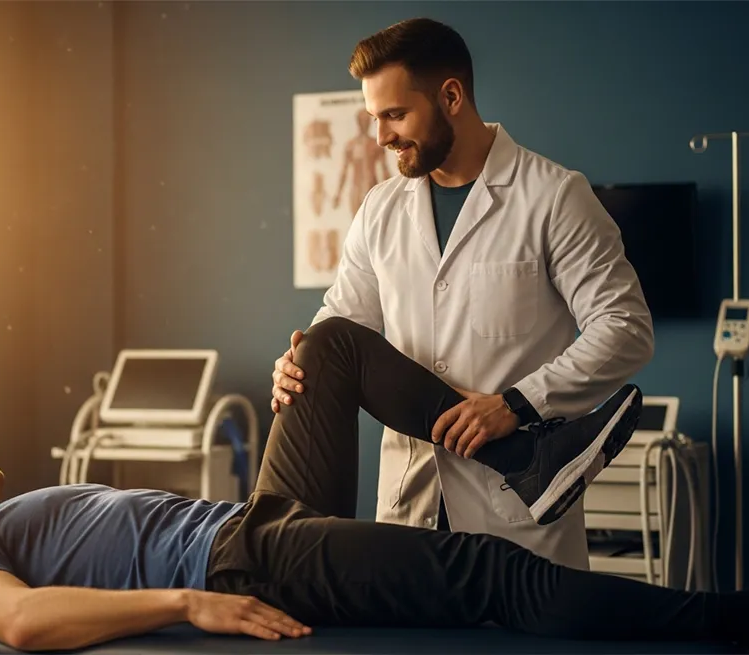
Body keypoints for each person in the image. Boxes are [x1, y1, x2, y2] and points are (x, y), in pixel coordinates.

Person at [0, 317, 749, 654]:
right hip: (244, 557)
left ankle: (525, 453)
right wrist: (186, 600)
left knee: (330, 345)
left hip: (258, 515)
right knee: (488, 575)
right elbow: (25, 623)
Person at [271, 18, 656, 569]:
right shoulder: (380, 208)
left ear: (451, 95)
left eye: (395, 115)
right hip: (410, 510)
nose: (380, 138)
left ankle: (529, 460)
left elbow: (625, 329)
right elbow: (342, 328)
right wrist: (297, 362)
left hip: (517, 526)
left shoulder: (552, 196)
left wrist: (515, 405)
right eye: (374, 119)